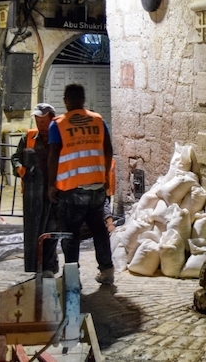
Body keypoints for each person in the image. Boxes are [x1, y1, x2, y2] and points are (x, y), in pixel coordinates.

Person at [47, 84, 115, 285]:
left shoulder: (58, 124)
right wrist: (104, 176)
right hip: (96, 186)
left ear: (65, 100)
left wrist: (52, 185)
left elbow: (53, 156)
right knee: (99, 230)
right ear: (84, 100)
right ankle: (107, 271)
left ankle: (71, 275)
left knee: (70, 234)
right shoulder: (98, 120)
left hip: (72, 188)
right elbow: (108, 149)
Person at [11, 103, 60, 276]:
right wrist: (20, 169)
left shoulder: (59, 138)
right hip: (33, 195)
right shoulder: (29, 137)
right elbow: (16, 157)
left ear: (52, 119)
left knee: (51, 229)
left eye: (43, 121)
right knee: (33, 231)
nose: (40, 124)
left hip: (54, 192)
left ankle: (49, 265)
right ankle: (35, 266)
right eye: (37, 121)